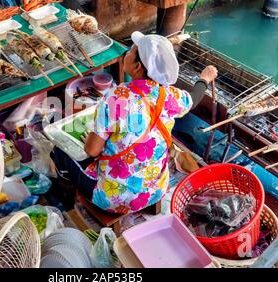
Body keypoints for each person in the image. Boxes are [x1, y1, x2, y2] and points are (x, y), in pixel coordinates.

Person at [51, 31, 218, 213]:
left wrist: (92, 140)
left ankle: (66, 205)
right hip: (155, 191)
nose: (126, 54)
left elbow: (92, 150)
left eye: (130, 51)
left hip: (113, 200)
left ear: (138, 67)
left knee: (59, 153)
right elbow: (193, 99)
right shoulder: (170, 95)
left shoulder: (116, 98)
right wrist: (204, 79)